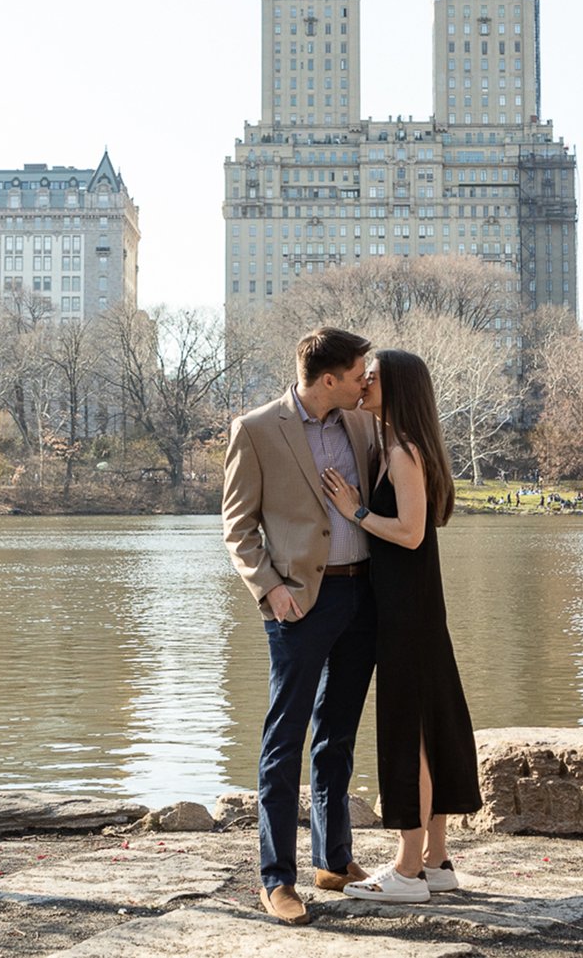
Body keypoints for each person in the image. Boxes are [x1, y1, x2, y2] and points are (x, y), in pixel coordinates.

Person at [222, 327, 381, 926]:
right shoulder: (257, 429)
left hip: (361, 594)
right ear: (329, 378)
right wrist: (271, 590)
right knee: (284, 738)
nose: (367, 379)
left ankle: (334, 861)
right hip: (300, 604)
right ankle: (276, 878)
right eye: (359, 371)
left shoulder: (361, 422)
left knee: (338, 732)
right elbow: (238, 528)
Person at [319, 349, 482, 905]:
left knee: (409, 733)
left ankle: (407, 870)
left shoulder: (405, 451)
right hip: (410, 608)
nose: (364, 381)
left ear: (400, 388)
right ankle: (437, 862)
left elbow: (411, 533)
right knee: (429, 730)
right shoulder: (393, 443)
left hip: (408, 612)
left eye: (374, 377)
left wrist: (355, 512)